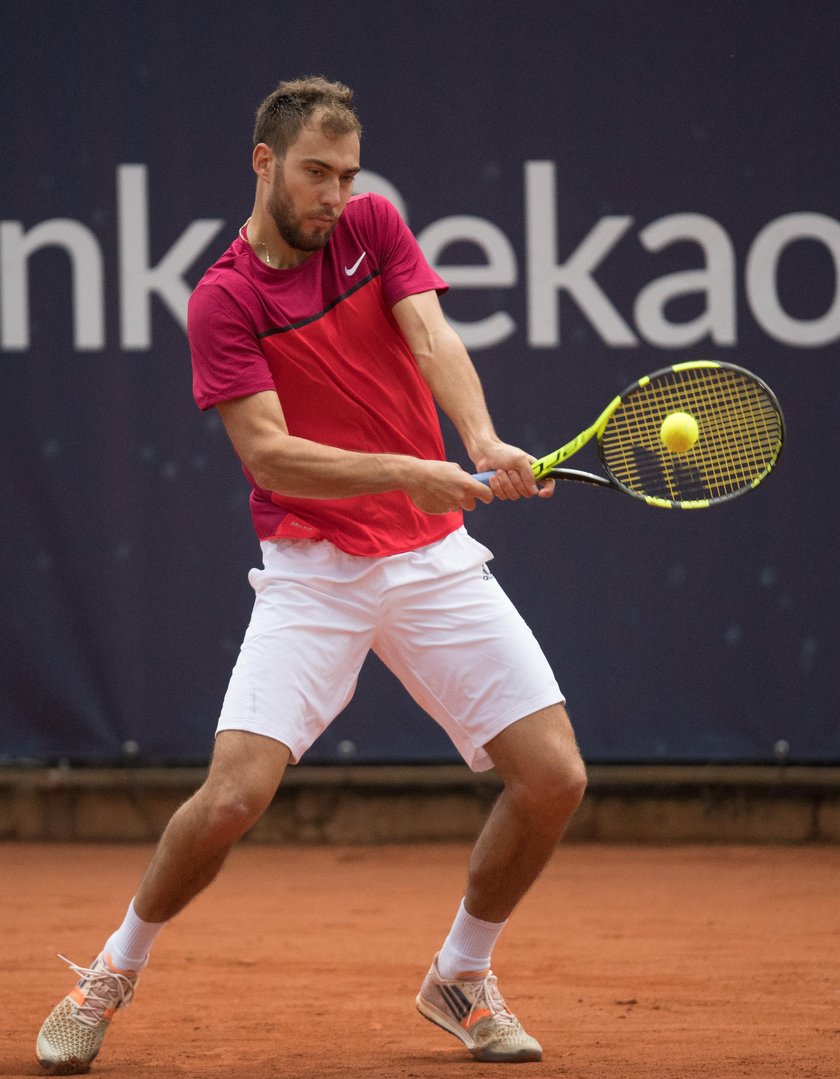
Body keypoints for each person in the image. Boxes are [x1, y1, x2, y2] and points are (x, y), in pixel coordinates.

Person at [36, 76, 587, 1072]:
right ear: (265, 162)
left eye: (347, 173)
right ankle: (111, 969)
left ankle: (461, 972)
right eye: (315, 172)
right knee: (233, 796)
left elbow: (429, 333)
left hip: (430, 562)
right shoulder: (223, 300)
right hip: (313, 573)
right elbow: (275, 457)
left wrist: (480, 437)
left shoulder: (374, 229)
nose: (335, 193)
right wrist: (413, 473)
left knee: (554, 777)